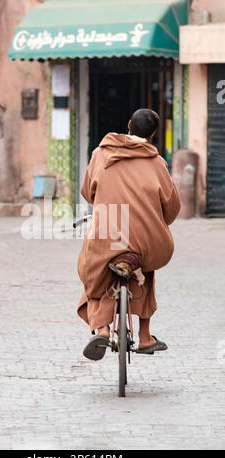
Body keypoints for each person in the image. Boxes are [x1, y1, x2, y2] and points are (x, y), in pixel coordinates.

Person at [77, 109, 181, 360]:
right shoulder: (157, 162)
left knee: (94, 274)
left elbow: (88, 192)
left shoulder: (101, 154)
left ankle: (101, 329)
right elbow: (172, 206)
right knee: (146, 270)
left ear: (128, 125)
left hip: (108, 232)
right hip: (147, 241)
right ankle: (145, 337)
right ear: (152, 135)